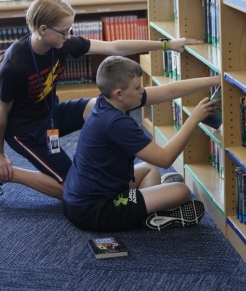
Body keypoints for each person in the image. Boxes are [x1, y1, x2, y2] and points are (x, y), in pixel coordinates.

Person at [0, 0, 210, 202]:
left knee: (100, 105)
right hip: (24, 131)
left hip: (50, 115)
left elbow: (114, 47)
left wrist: (168, 45)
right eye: (64, 31)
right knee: (70, 192)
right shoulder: (14, 64)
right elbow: (1, 110)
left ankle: (113, 166)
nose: (69, 36)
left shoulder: (62, 44)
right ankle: (0, 173)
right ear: (43, 30)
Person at [63, 56, 221, 232]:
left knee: (149, 169)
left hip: (80, 199)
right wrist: (193, 119)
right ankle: (149, 215)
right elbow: (165, 159)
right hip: (95, 211)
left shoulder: (107, 102)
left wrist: (217, 79)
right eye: (138, 88)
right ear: (119, 94)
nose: (142, 91)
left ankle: (144, 206)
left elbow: (169, 91)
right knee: (181, 190)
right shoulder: (116, 123)